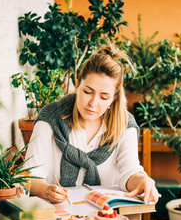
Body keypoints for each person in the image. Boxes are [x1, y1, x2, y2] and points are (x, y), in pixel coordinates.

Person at [25, 41, 159, 204]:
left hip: (106, 217)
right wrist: (46, 190)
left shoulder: (124, 125)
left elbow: (129, 172)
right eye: (88, 92)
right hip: (55, 214)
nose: (93, 103)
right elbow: (29, 177)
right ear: (77, 85)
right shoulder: (50, 118)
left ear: (114, 98)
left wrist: (142, 181)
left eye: (104, 97)